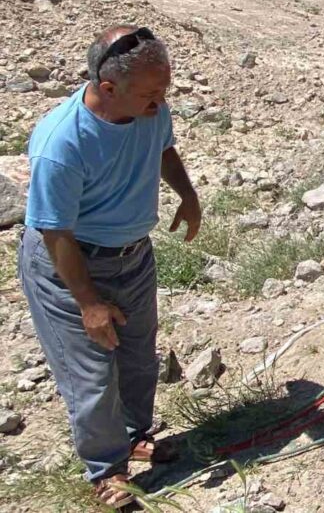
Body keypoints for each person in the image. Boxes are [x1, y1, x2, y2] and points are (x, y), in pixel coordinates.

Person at [17, 25, 201, 509]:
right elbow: (55, 233)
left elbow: (163, 148)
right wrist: (88, 303)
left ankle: (134, 435)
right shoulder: (61, 143)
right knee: (92, 373)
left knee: (139, 356)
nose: (159, 102)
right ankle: (106, 471)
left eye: (164, 90)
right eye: (149, 94)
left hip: (133, 256)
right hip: (72, 266)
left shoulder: (148, 110)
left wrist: (187, 194)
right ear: (107, 88)